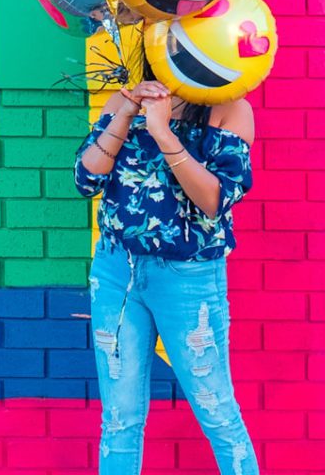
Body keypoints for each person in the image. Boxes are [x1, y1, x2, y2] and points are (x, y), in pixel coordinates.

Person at [73, 54, 260, 475]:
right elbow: (86, 181)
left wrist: (161, 131)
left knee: (217, 411)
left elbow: (214, 200)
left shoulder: (228, 108)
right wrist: (125, 112)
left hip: (188, 279)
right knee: (119, 419)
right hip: (116, 272)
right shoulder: (121, 104)